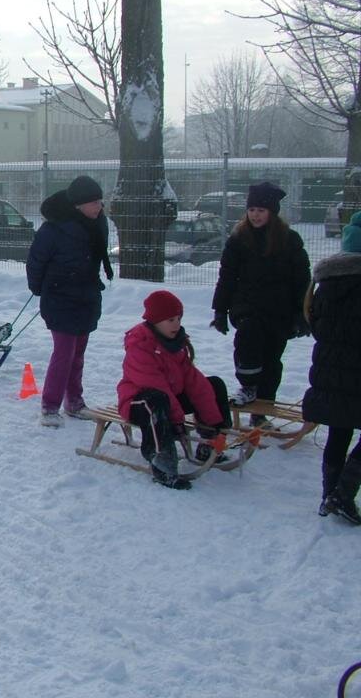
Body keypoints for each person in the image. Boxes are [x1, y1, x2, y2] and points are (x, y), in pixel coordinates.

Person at [210, 181, 312, 425]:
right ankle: (248, 386)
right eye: (252, 210)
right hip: (247, 306)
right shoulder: (238, 240)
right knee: (248, 338)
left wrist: (304, 314)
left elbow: (302, 280)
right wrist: (220, 310)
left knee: (272, 360)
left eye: (261, 210)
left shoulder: (289, 240)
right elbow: (227, 277)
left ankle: (262, 410)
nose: (255, 215)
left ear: (272, 212)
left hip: (280, 310)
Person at [118, 290, 234, 490]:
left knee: (213, 384)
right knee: (156, 400)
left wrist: (214, 422)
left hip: (169, 400)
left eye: (179, 319)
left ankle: (210, 444)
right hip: (140, 403)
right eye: (170, 320)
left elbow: (194, 382)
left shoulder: (174, 345)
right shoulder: (140, 347)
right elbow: (156, 386)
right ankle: (162, 464)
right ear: (155, 321)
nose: (176, 324)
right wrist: (177, 421)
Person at [25, 175, 114, 428]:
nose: (99, 206)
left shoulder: (99, 223)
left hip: (86, 297)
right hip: (59, 297)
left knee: (78, 354)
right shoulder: (53, 229)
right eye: (94, 202)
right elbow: (36, 261)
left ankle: (74, 402)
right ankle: (50, 406)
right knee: (64, 352)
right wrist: (38, 288)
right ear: (78, 205)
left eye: (100, 201)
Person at [302, 210, 361, 524]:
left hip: (330, 373)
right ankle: (343, 493)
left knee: (339, 430)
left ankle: (330, 494)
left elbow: (315, 324)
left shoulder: (326, 283)